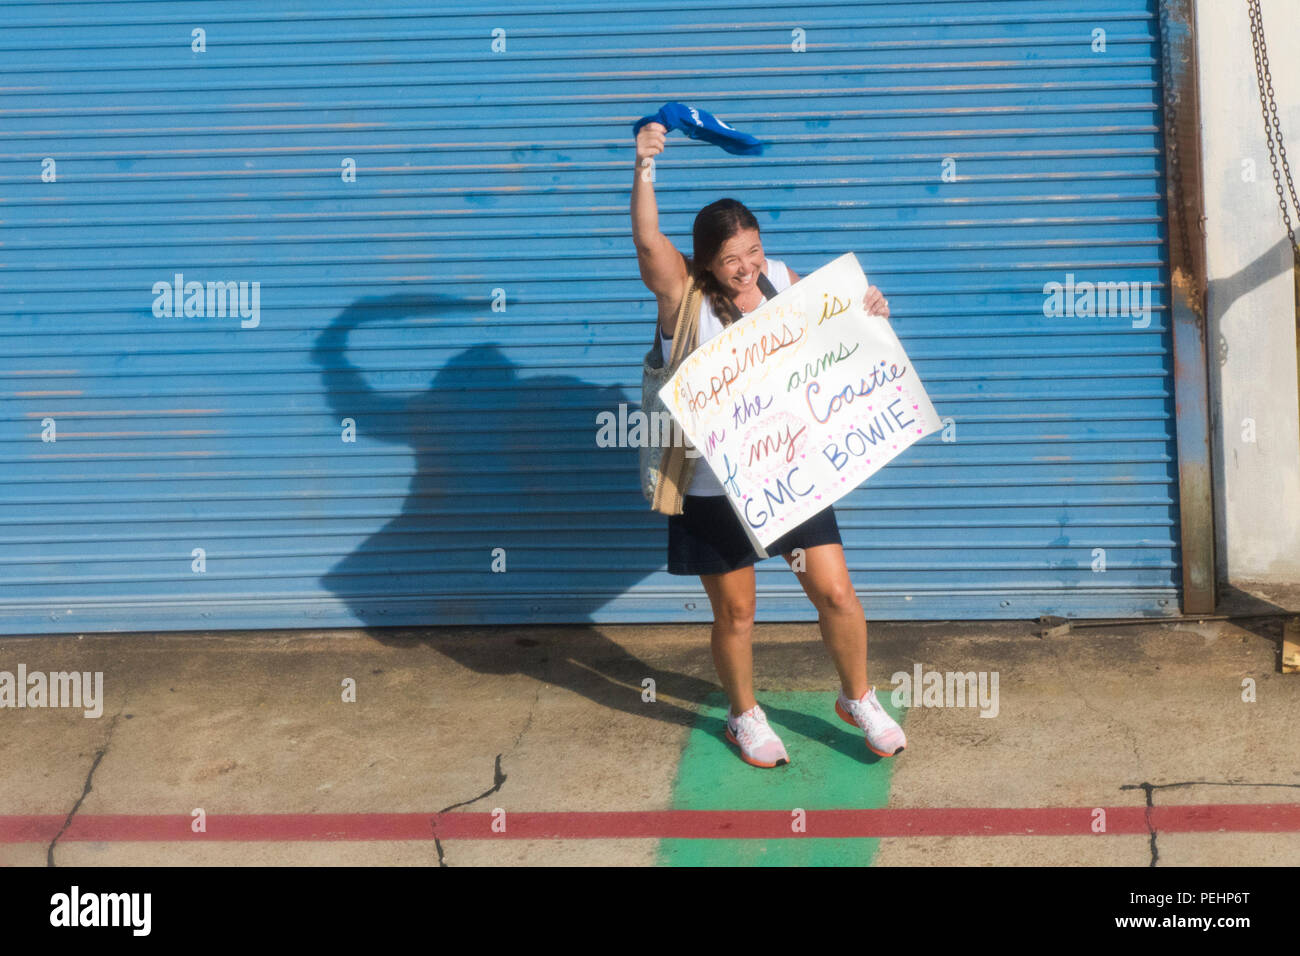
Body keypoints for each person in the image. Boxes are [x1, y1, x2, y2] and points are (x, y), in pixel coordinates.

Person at [630, 120, 907, 769]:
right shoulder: (683, 299)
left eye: (753, 250)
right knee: (739, 613)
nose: (748, 267)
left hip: (792, 477)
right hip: (713, 490)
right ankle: (744, 716)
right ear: (704, 263)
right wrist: (643, 164)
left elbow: (835, 341)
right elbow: (648, 242)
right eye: (732, 259)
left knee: (836, 591)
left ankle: (857, 697)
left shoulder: (781, 279)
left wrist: (870, 311)